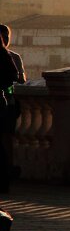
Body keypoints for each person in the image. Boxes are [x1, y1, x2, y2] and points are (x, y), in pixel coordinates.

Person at [0, 24, 25, 194]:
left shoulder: (13, 56)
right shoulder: (5, 56)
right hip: (3, 102)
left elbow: (20, 78)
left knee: (7, 137)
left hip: (8, 103)